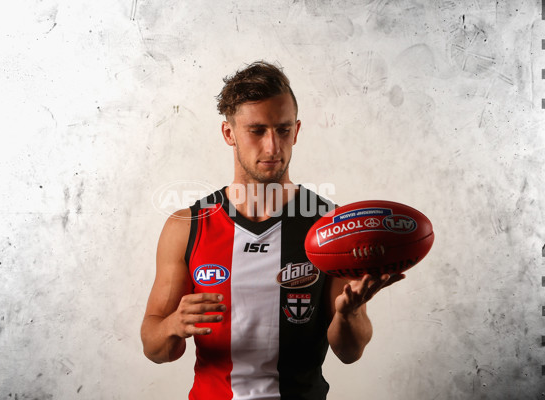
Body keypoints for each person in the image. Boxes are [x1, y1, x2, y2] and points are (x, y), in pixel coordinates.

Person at [140, 61, 405, 400]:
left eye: (282, 130)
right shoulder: (186, 226)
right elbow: (154, 347)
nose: (272, 147)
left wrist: (349, 314)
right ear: (228, 134)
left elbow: (349, 352)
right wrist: (174, 325)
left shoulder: (332, 227)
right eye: (257, 130)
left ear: (296, 131)